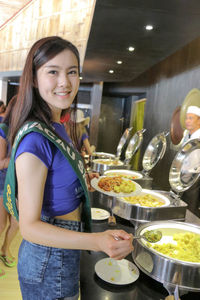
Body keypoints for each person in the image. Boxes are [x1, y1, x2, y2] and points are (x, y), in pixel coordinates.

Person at [5, 36, 133, 299]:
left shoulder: (56, 126)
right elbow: (28, 226)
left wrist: (80, 180)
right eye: (53, 71)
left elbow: (54, 179)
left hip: (64, 247)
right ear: (34, 78)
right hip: (48, 259)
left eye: (72, 72)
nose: (65, 82)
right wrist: (97, 241)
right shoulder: (35, 139)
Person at [0, 96, 18, 279]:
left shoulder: (21, 128)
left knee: (17, 222)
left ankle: (5, 249)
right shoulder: (3, 130)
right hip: (1, 183)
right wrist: (19, 158)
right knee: (1, 224)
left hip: (15, 184)